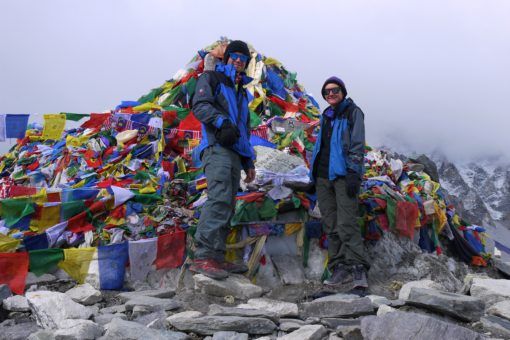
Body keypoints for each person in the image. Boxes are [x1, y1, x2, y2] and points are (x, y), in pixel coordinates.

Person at [189, 40, 256, 280]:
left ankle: (216, 257)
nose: (238, 61)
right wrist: (221, 121)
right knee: (218, 198)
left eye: (243, 58)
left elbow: (244, 129)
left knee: (228, 202)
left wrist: (249, 161)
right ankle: (203, 256)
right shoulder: (212, 78)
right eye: (234, 56)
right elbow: (200, 104)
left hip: (234, 153)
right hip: (216, 146)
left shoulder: (240, 91)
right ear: (226, 58)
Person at [310, 76, 370, 289]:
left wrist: (354, 171)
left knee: (347, 222)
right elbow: (320, 147)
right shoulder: (326, 116)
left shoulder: (353, 113)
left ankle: (357, 269)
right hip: (323, 177)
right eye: (327, 92)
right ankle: (338, 268)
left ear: (343, 91)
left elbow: (357, 144)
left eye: (335, 90)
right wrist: (313, 175)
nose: (331, 94)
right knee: (331, 224)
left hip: (344, 176)